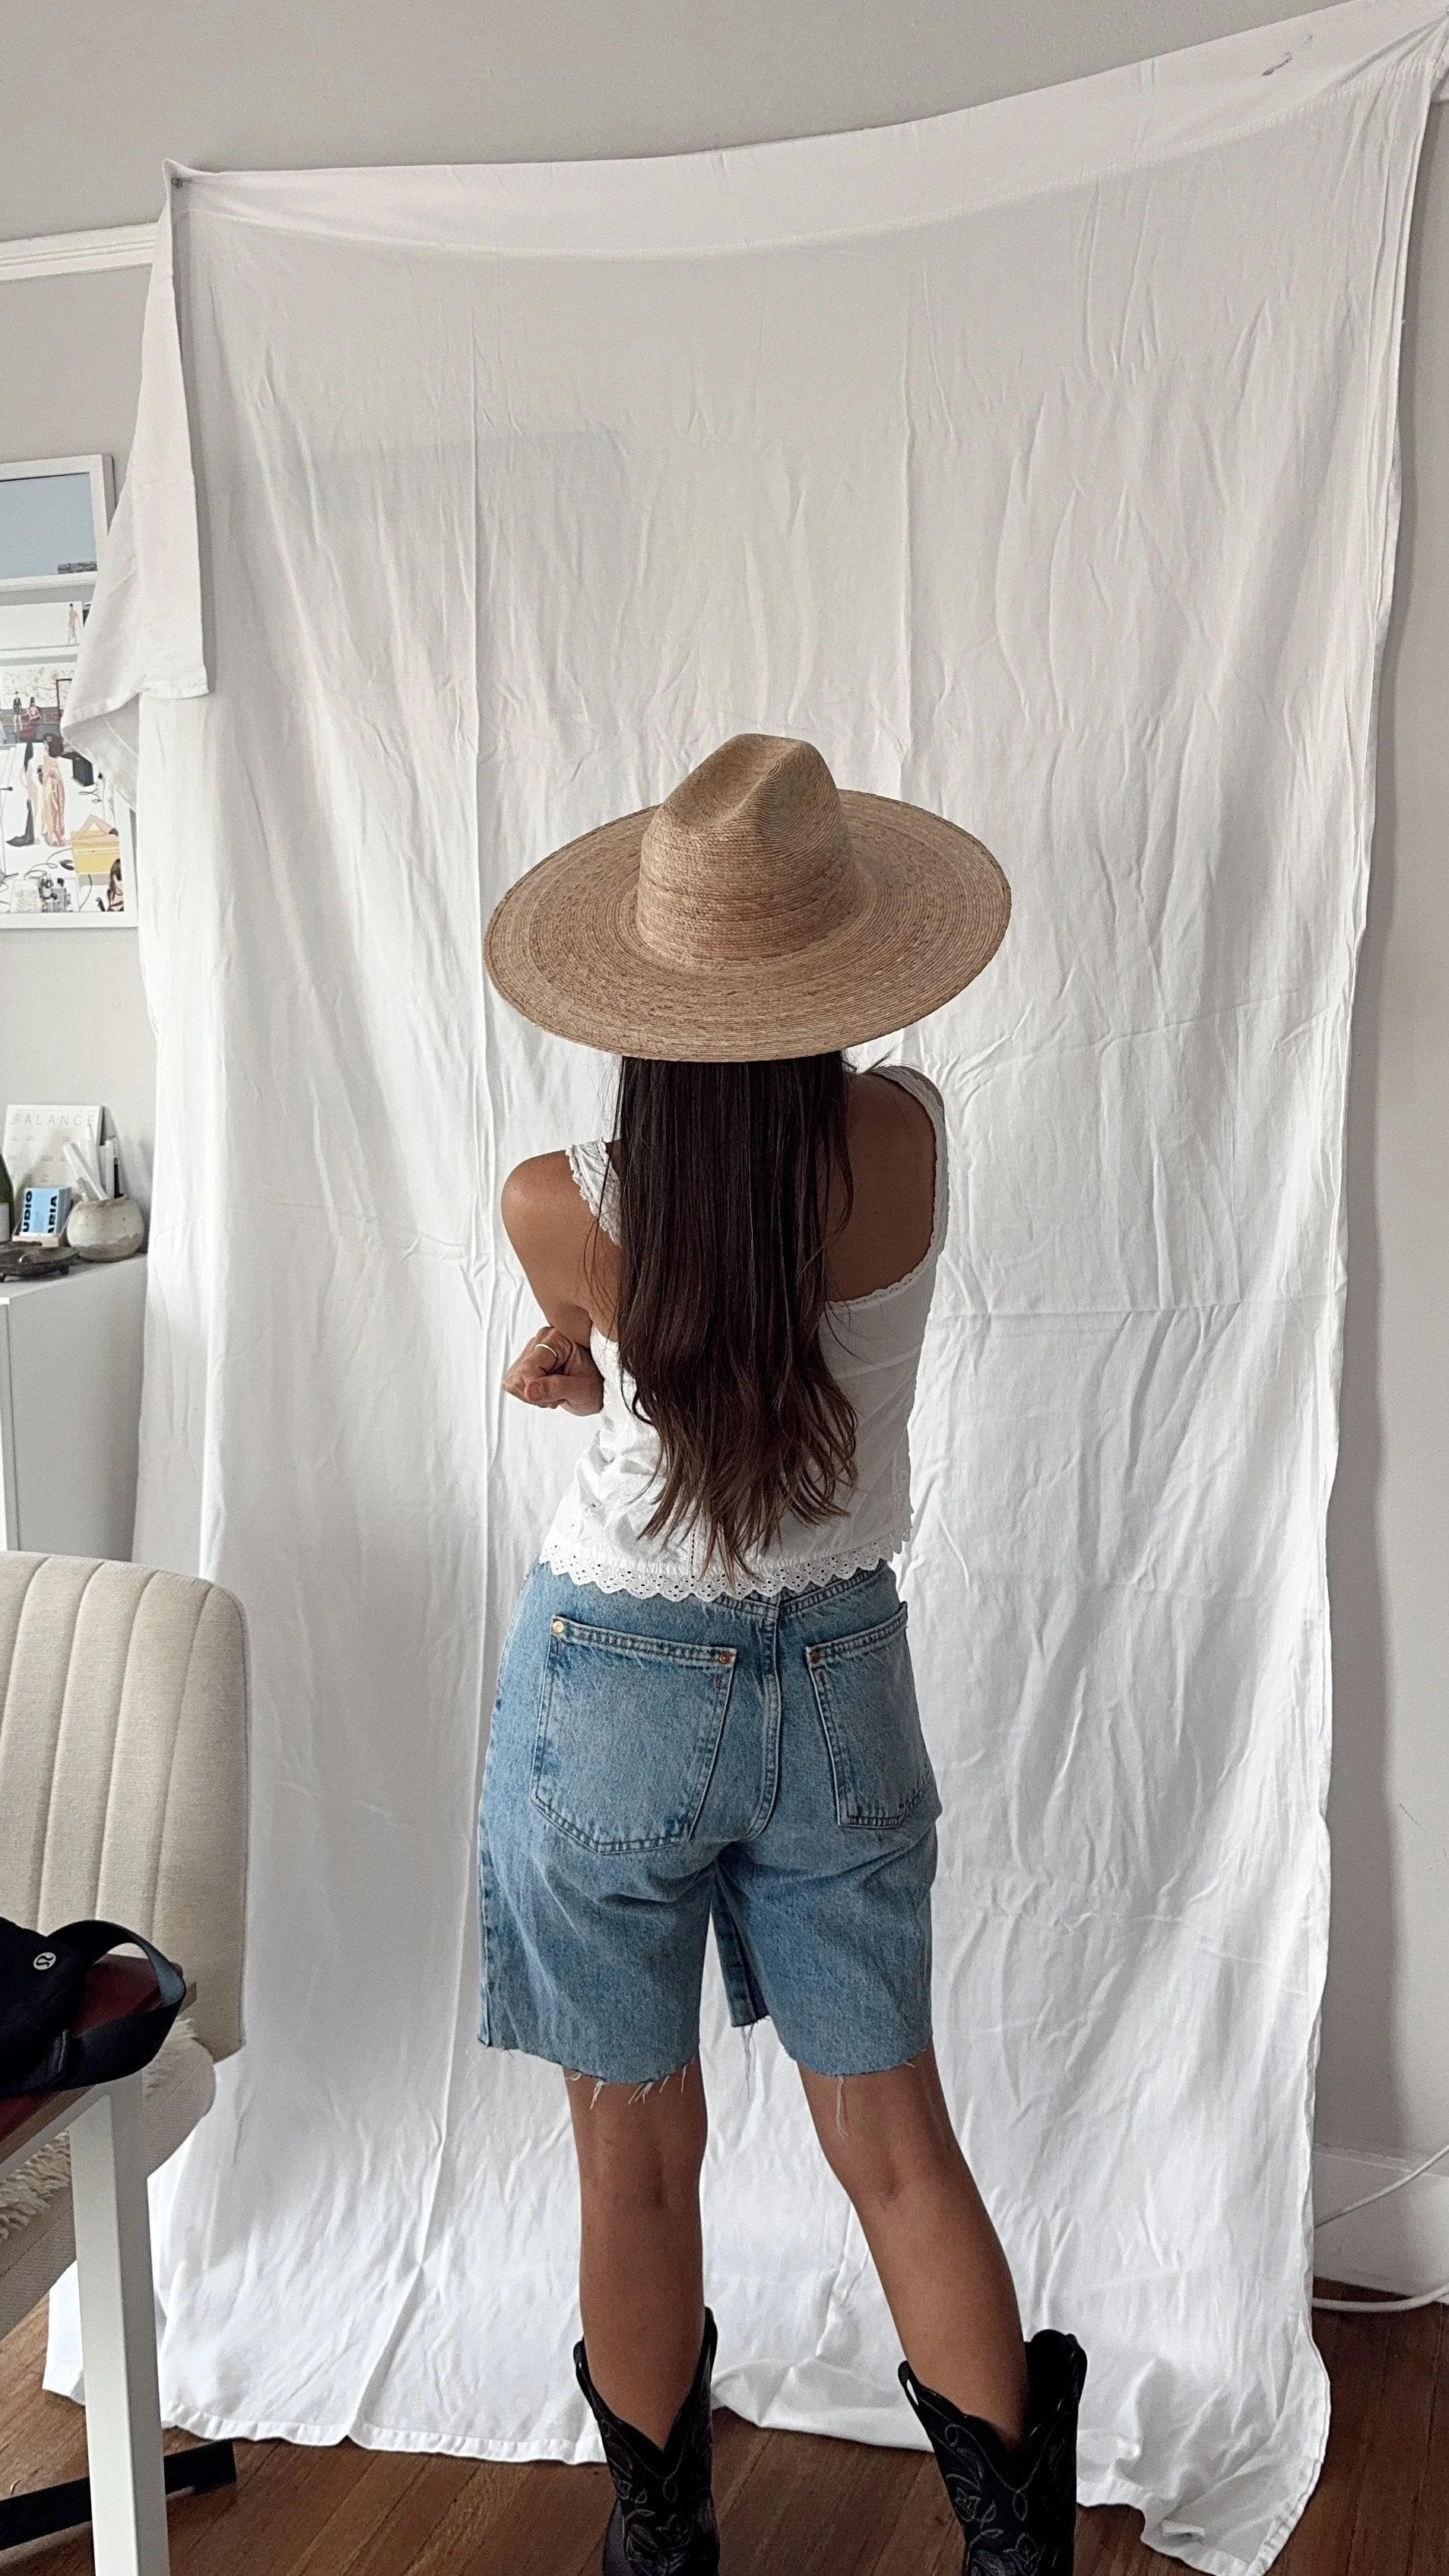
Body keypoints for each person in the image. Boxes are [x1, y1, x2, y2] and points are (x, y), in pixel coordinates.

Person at [480, 734, 1086, 2576]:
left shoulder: (555, 1196)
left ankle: (660, 2549)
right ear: (841, 965)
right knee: (894, 2137)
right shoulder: (902, 1138)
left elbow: (633, 1328)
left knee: (631, 2156)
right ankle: (1013, 2548)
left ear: (642, 984)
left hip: (611, 1686)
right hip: (836, 1677)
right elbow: (749, 1326)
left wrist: (563, 1358)